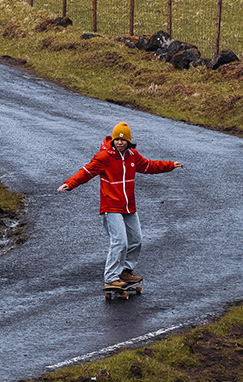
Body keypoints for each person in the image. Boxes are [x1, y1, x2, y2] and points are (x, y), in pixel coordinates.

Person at [57, 121, 183, 292]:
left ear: (129, 141)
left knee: (136, 240)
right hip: (111, 207)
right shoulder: (104, 157)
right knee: (120, 242)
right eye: (117, 139)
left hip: (129, 206)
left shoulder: (133, 156)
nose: (120, 143)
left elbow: (148, 166)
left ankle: (125, 271)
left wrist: (170, 165)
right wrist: (69, 184)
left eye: (123, 140)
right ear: (113, 140)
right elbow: (86, 172)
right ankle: (110, 278)